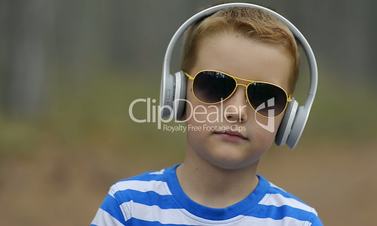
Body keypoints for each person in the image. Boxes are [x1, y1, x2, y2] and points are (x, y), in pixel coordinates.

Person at [90, 5, 323, 226]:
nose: (236, 111)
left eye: (264, 96)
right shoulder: (128, 208)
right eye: (215, 86)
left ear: (288, 118)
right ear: (178, 94)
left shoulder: (298, 221)